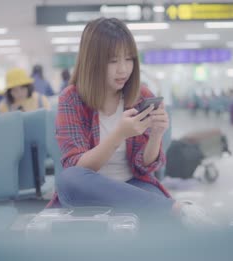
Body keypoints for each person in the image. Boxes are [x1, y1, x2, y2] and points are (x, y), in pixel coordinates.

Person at [45, 18, 211, 227]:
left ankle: (166, 210)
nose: (123, 69)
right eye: (113, 61)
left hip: (134, 186)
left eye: (129, 59)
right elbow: (78, 167)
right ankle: (172, 208)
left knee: (169, 228)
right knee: (68, 179)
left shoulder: (140, 95)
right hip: (88, 190)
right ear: (92, 61)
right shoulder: (71, 98)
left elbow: (144, 168)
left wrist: (157, 134)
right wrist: (118, 134)